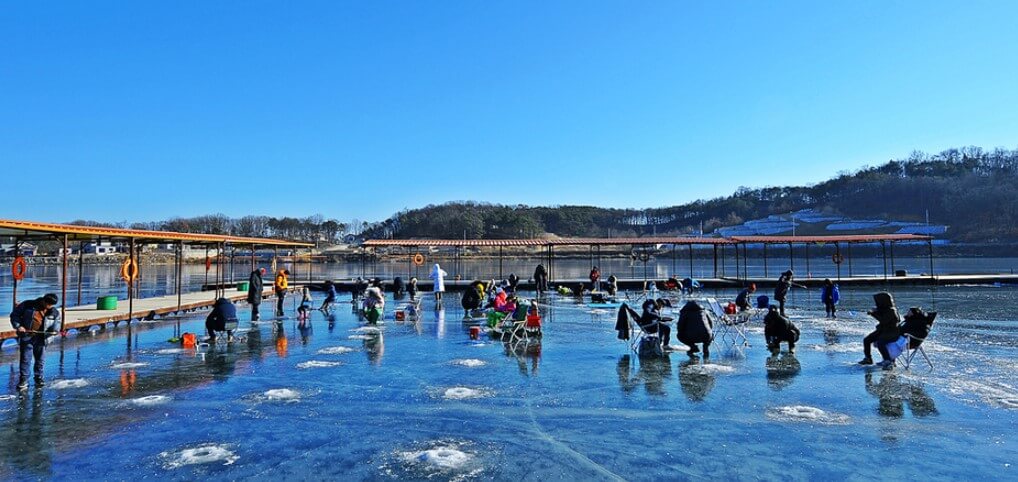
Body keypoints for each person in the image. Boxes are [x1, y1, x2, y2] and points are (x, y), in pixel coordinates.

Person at [9, 294, 60, 390]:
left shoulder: (54, 312)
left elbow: (56, 323)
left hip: (42, 338)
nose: (49, 307)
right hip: (27, 336)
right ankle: (23, 380)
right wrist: (18, 326)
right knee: (25, 359)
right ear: (43, 301)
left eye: (51, 305)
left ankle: (39, 378)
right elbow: (14, 315)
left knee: (40, 360)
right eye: (48, 304)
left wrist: (54, 330)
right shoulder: (28, 305)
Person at [859, 292, 901, 368]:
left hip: (891, 332)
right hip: (882, 331)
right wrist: (874, 311)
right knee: (867, 340)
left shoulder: (892, 311)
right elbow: (880, 314)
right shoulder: (884, 309)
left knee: (881, 343)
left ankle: (887, 360)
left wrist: (873, 314)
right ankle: (868, 358)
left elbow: (883, 320)